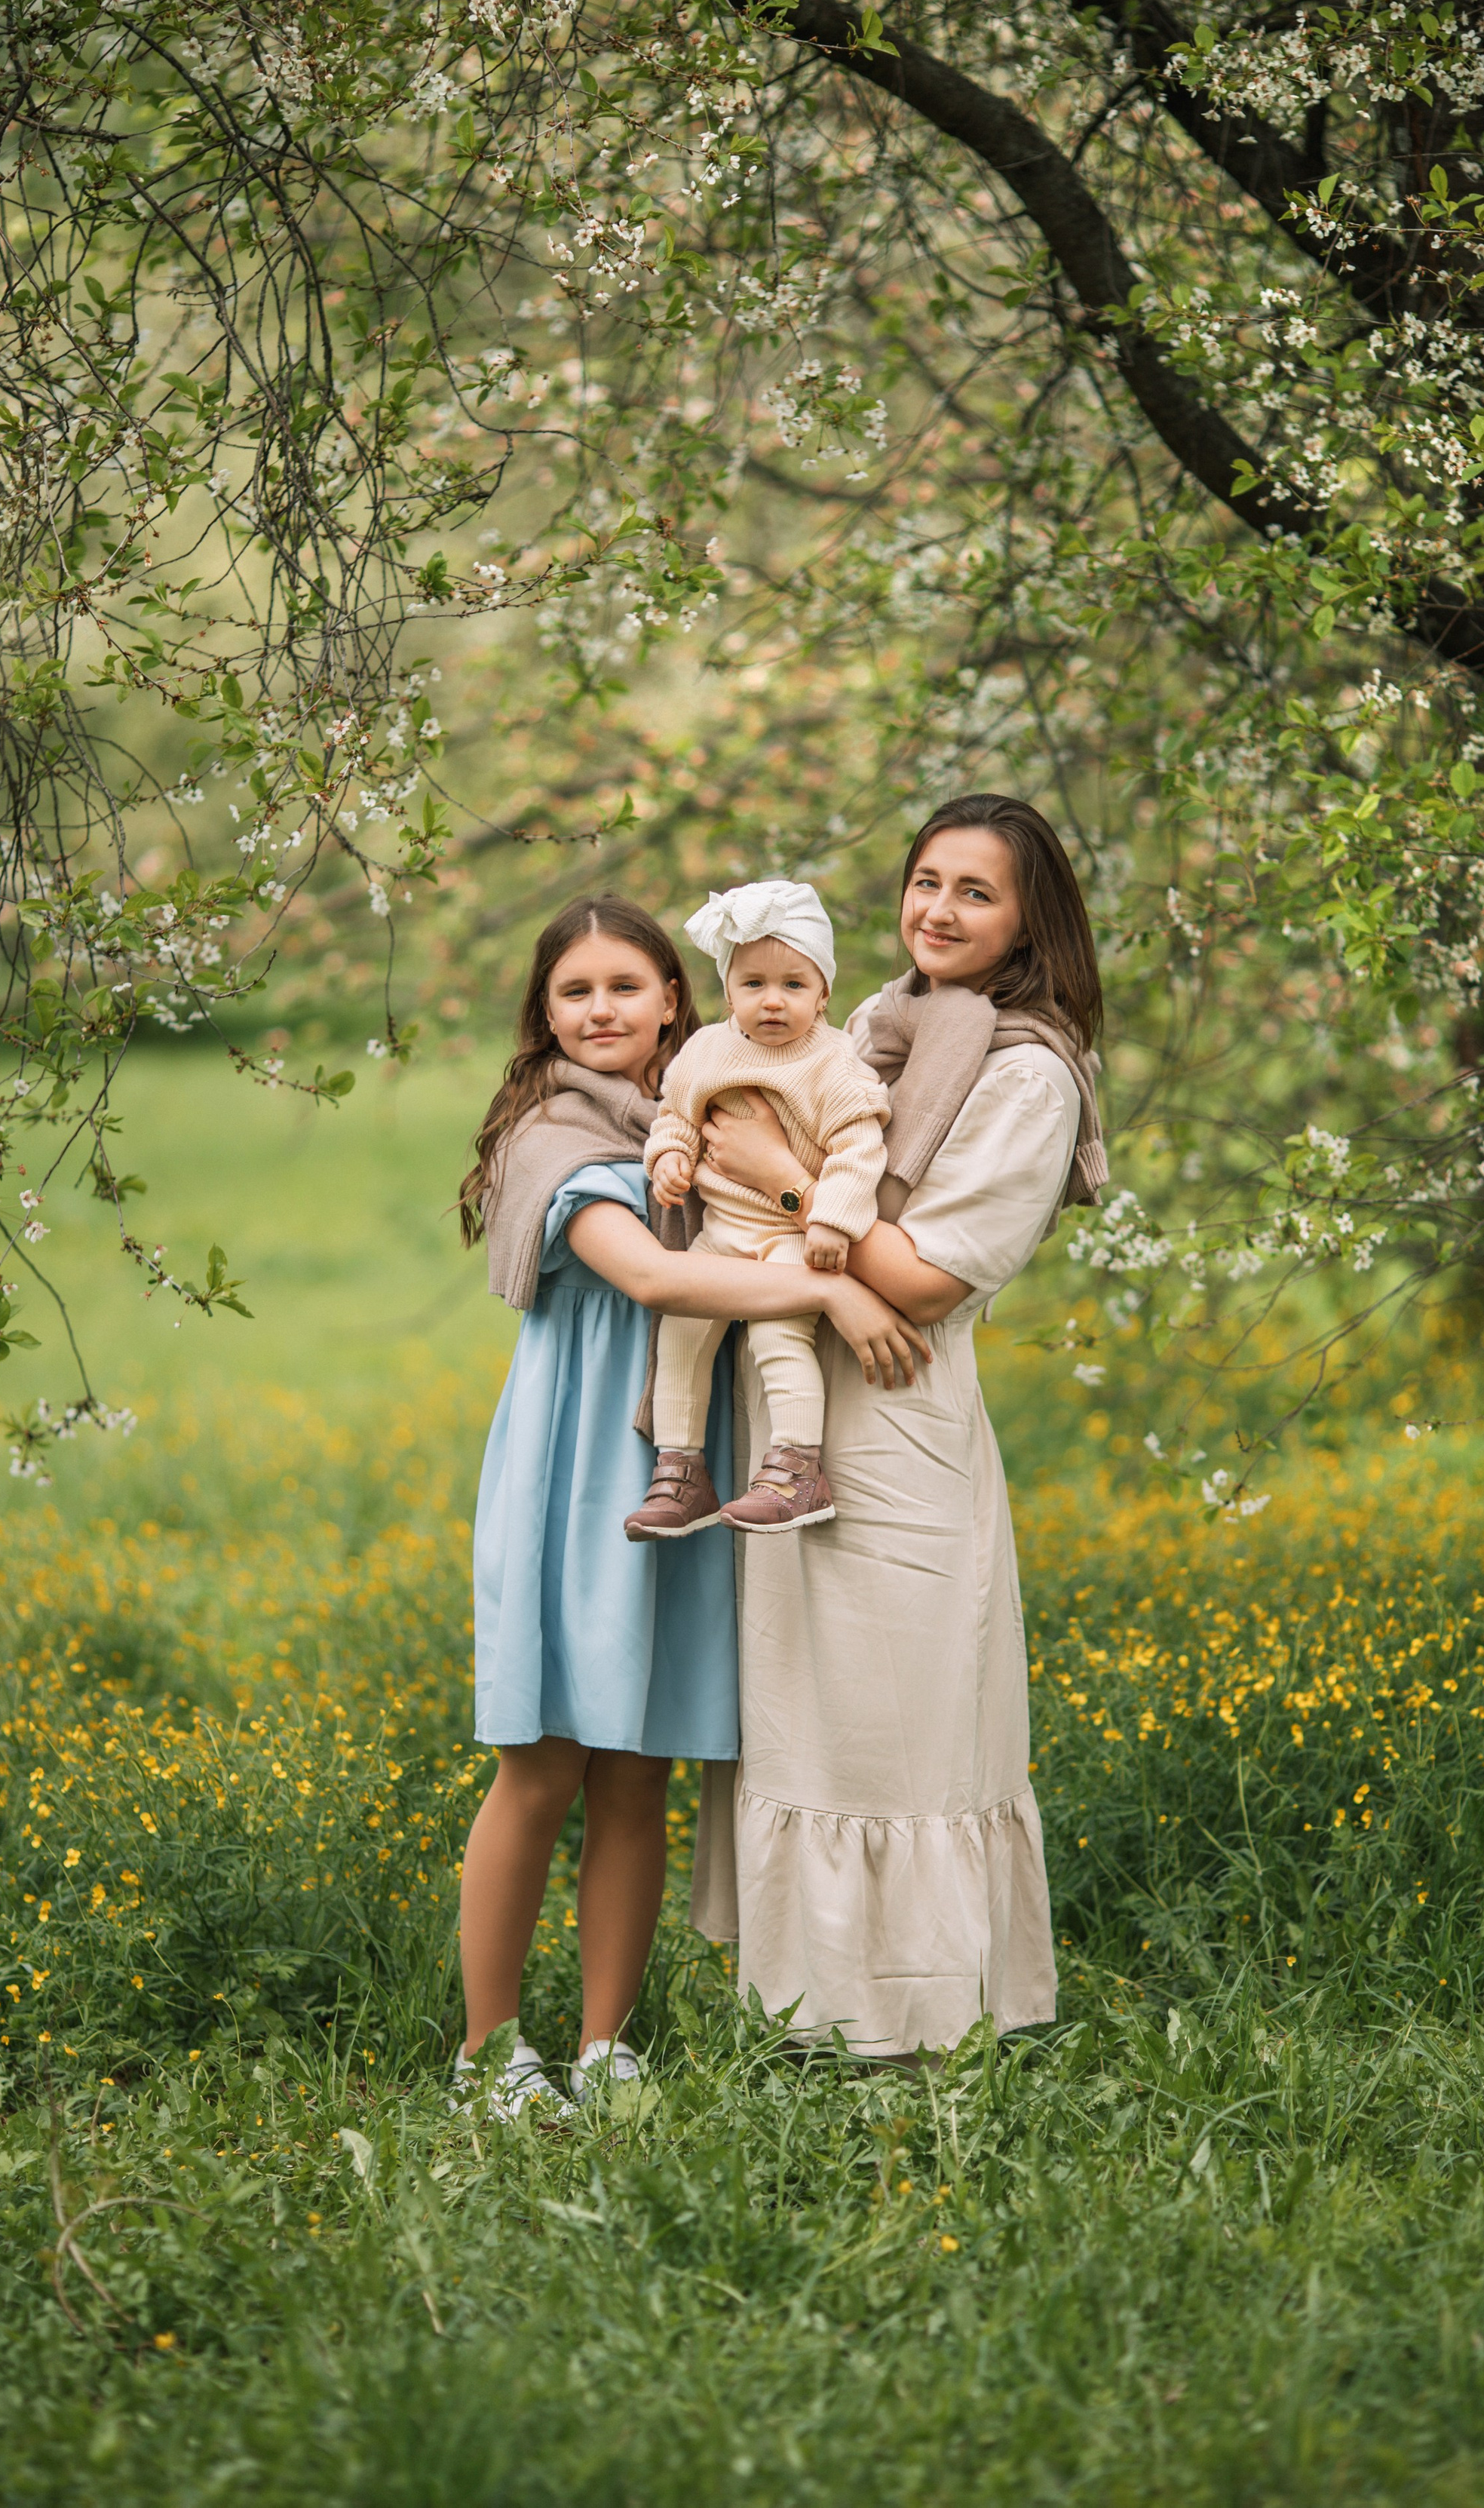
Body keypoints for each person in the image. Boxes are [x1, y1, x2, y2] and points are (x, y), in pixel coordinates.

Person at [454, 894, 933, 2117]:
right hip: (577, 1469)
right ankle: (490, 2052)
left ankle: (608, 2046)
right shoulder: (550, 1136)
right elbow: (657, 1271)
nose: (602, 1008)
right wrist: (836, 1295)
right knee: (544, 1764)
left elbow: (836, 1149)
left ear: (680, 995)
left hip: (692, 1463)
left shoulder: (721, 1101)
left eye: (628, 984)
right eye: (576, 991)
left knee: (638, 1772)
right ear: (545, 1012)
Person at [687, 794, 1108, 2060]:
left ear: (1031, 917)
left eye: (976, 891)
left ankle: (919, 2020)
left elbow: (922, 1274)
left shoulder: (1026, 1070)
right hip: (794, 1405)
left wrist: (777, 1167)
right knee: (802, 1705)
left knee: (901, 1722)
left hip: (903, 1416)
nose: (939, 909)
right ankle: (807, 2011)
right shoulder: (865, 1023)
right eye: (928, 879)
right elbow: (709, 1126)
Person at [626, 879, 890, 1543]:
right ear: (729, 992)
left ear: (824, 992)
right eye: (753, 985)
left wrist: (831, 1217)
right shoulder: (709, 1051)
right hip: (721, 1234)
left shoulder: (835, 1065)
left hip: (788, 1240)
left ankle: (799, 1468)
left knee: (779, 1339)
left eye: (794, 986)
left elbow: (860, 1149)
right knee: (681, 1332)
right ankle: (682, 1471)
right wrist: (670, 1160)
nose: (772, 1002)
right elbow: (675, 1115)